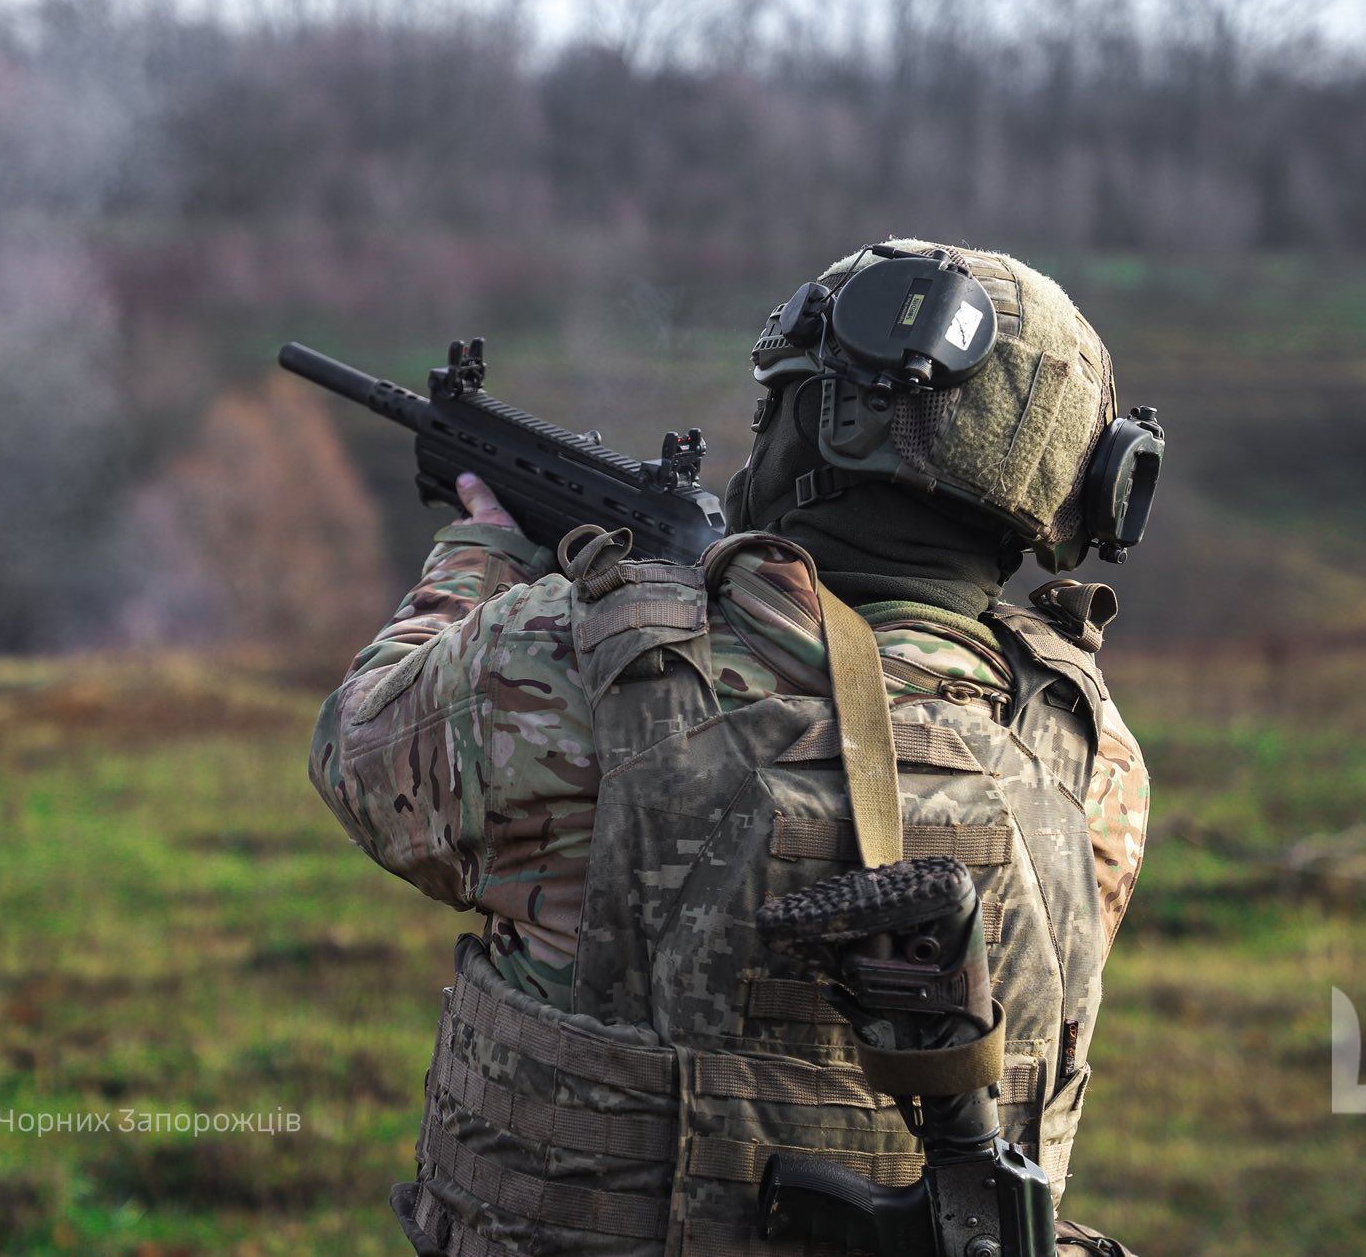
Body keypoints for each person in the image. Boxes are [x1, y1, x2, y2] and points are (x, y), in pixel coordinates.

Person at [308, 239, 1155, 1257]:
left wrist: (478, 559)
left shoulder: (571, 662)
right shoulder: (1086, 748)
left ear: (813, 428)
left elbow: (359, 750)